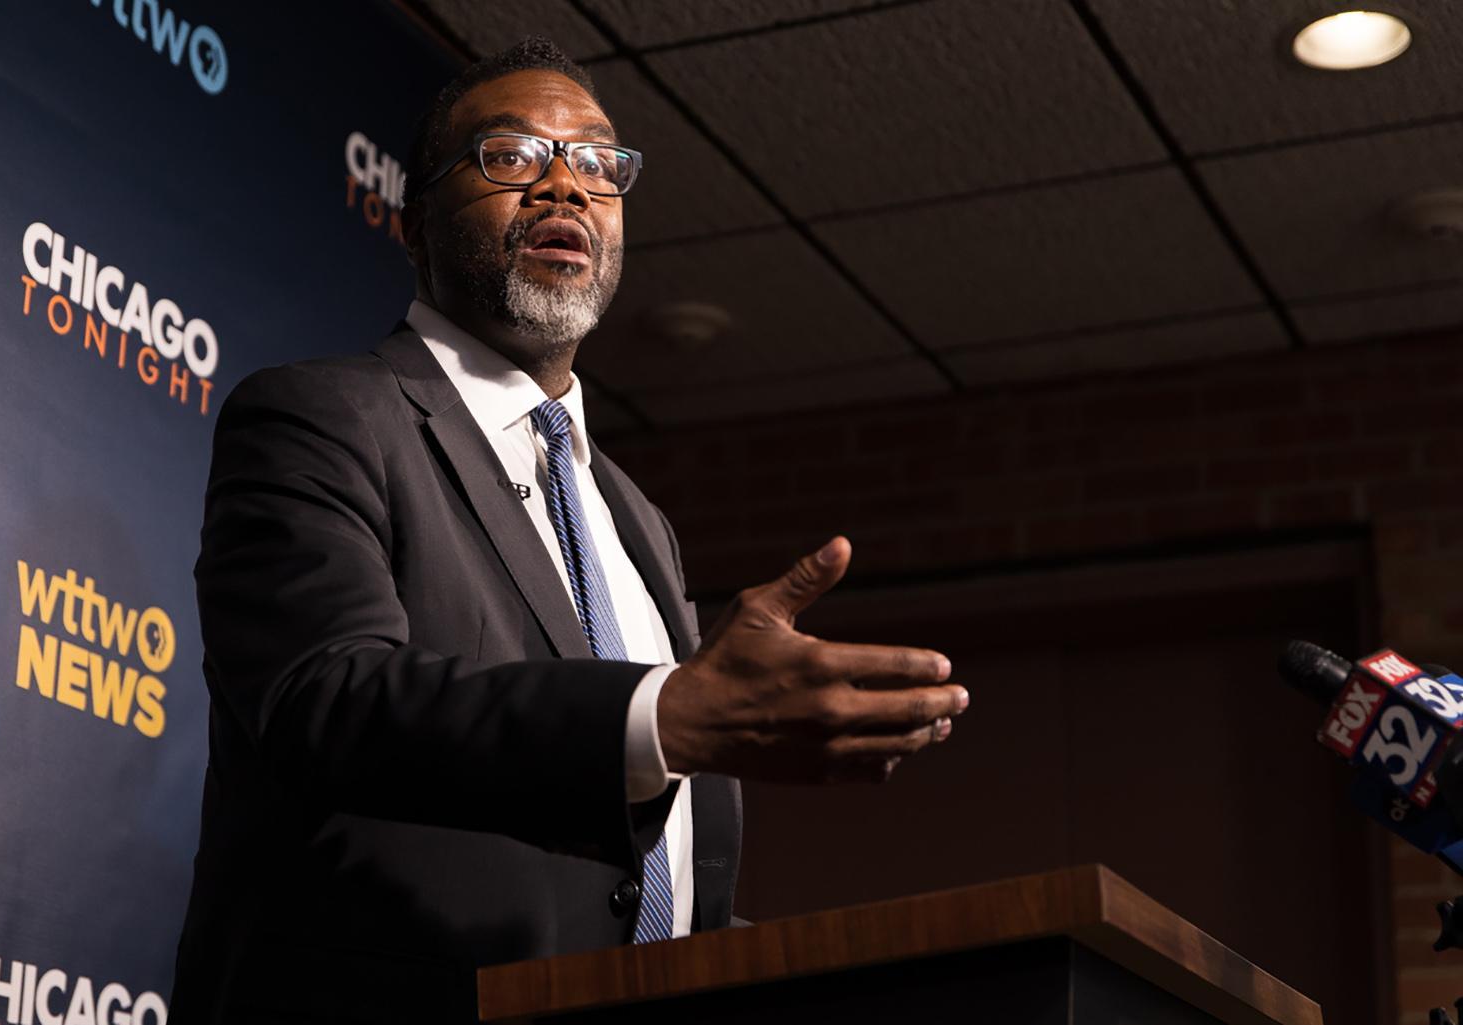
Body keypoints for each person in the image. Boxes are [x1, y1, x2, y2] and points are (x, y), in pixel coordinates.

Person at [169, 37, 969, 1024]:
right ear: (415, 223)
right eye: (511, 156)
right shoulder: (324, 415)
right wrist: (661, 717)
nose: (567, 186)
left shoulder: (638, 521)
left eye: (598, 162)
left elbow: (644, 868)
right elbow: (322, 698)